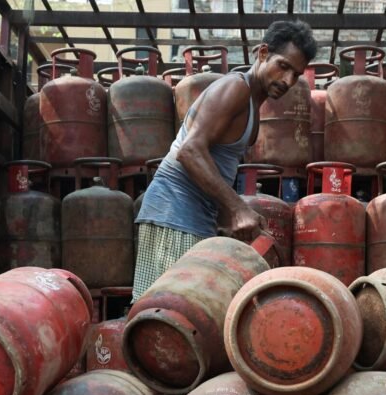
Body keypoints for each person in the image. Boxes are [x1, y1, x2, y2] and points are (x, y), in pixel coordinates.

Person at [133, 20, 317, 301]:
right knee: (164, 315)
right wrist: (238, 209)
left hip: (196, 218)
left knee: (191, 318)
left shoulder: (253, 106)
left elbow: (219, 166)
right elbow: (189, 151)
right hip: (173, 213)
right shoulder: (235, 89)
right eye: (284, 66)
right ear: (263, 53)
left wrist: (224, 222)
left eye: (296, 74)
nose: (288, 80)